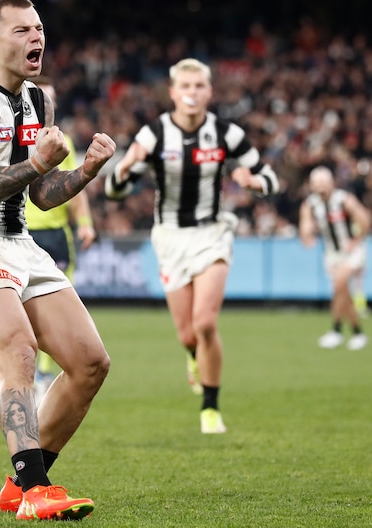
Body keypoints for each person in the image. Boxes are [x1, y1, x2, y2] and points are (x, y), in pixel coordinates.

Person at [0, 0, 117, 521]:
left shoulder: (38, 99)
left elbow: (40, 195)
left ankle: (21, 483)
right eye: (22, 31)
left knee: (89, 363)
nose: (36, 38)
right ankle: (36, 490)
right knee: (18, 350)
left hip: (20, 241)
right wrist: (36, 162)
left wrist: (85, 173)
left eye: (39, 28)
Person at [105, 58, 278, 434]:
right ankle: (193, 358)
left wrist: (255, 183)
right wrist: (123, 169)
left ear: (209, 91)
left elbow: (269, 175)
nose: (192, 93)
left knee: (205, 322)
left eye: (199, 86)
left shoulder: (226, 134)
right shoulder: (153, 135)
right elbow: (114, 190)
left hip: (212, 233)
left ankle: (210, 408)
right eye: (185, 86)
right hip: (169, 238)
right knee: (187, 335)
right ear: (172, 92)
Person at [24, 77, 97, 402]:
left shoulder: (60, 141)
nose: (46, 106)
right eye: (40, 98)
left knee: (55, 310)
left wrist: (85, 222)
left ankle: (43, 373)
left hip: (55, 236)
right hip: (18, 233)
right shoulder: (13, 137)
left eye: (50, 99)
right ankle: (23, 374)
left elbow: (73, 185)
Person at [299, 165, 371, 350]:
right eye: (317, 183)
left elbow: (365, 218)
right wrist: (307, 236)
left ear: (331, 183)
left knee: (339, 283)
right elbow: (305, 225)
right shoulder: (310, 204)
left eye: (324, 182)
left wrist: (356, 240)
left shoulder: (344, 200)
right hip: (331, 253)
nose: (321, 187)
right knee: (341, 292)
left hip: (352, 251)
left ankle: (337, 330)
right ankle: (356, 333)